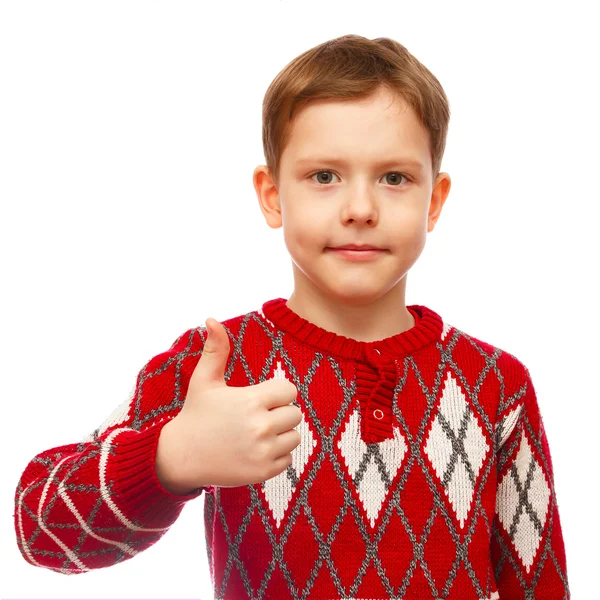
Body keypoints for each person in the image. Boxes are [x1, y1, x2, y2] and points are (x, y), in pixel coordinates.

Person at [13, 34, 570, 599]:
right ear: (272, 194)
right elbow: (38, 529)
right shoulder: (221, 365)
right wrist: (173, 456)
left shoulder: (496, 384)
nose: (360, 210)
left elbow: (540, 581)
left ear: (435, 200)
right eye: (324, 177)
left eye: (394, 178)